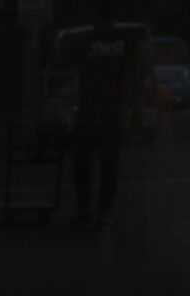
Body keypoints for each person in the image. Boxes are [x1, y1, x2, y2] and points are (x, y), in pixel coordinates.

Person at [64, 0, 143, 229]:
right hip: (109, 112)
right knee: (107, 165)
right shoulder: (124, 41)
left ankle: (88, 210)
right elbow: (134, 76)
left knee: (86, 163)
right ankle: (101, 212)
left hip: (90, 111)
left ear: (97, 17)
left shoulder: (85, 41)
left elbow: (70, 73)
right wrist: (135, 109)